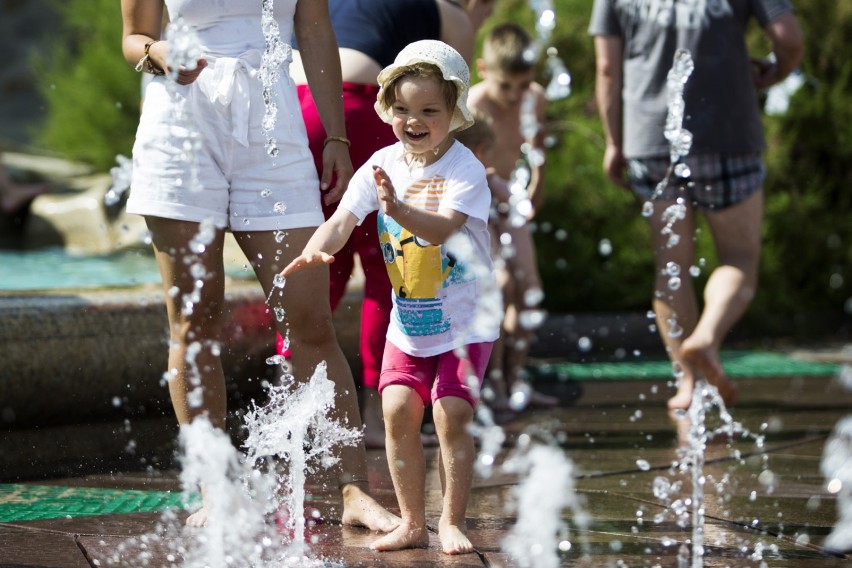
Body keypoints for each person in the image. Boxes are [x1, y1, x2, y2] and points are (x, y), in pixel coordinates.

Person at [120, 0, 399, 532]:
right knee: (195, 323)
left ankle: (355, 492)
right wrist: (160, 53)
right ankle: (215, 489)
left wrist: (336, 137)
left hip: (273, 123)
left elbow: (314, 27)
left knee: (309, 320)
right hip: (181, 129)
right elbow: (135, 37)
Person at [281, 40, 499, 554]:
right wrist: (315, 251)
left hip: (467, 321)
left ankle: (450, 520)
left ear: (454, 112)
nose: (413, 120)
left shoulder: (465, 170)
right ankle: (411, 521)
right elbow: (342, 220)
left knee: (450, 413)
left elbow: (444, 228)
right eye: (402, 109)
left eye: (428, 110)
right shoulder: (381, 163)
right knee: (397, 407)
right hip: (413, 320)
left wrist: (398, 211)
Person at [589, 0, 804, 409]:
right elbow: (788, 38)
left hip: (650, 139)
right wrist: (780, 69)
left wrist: (615, 141)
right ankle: (707, 336)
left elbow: (607, 69)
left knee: (671, 268)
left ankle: (688, 384)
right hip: (729, 136)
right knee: (739, 259)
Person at [467, 23, 556, 410]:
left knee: (529, 289)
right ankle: (494, 386)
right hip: (480, 205)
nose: (516, 95)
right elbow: (464, 167)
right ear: (484, 69)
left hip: (511, 200)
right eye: (507, 86)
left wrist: (537, 185)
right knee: (499, 286)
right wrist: (497, 188)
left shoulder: (533, 98)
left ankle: (519, 380)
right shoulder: (473, 106)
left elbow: (537, 150)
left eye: (524, 85)